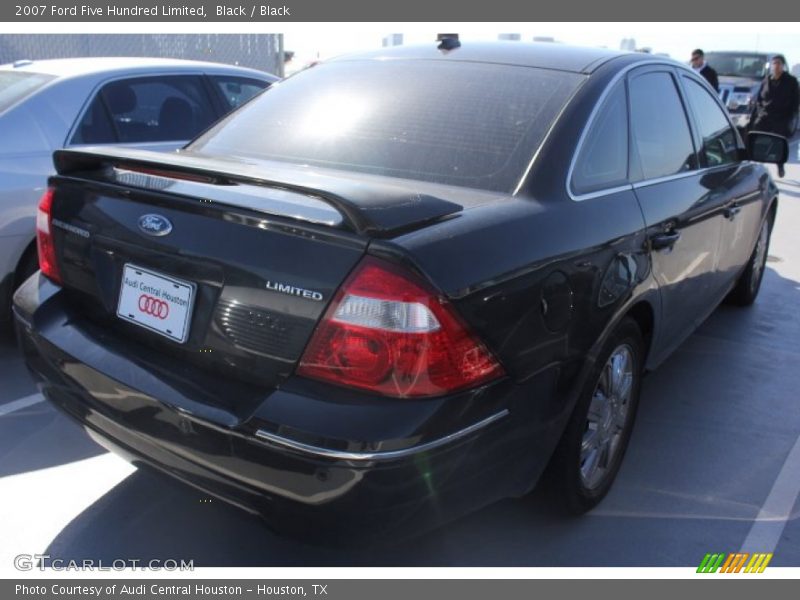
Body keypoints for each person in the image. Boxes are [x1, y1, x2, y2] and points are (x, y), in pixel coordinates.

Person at [749, 54, 799, 178]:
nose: (776, 66)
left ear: (783, 66)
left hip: (782, 117)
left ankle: (780, 166)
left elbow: (796, 99)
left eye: (778, 63)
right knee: (756, 136)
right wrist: (759, 111)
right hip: (765, 115)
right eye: (774, 63)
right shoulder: (766, 80)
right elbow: (760, 98)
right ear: (770, 66)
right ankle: (756, 165)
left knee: (778, 142)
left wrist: (791, 114)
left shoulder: (791, 81)